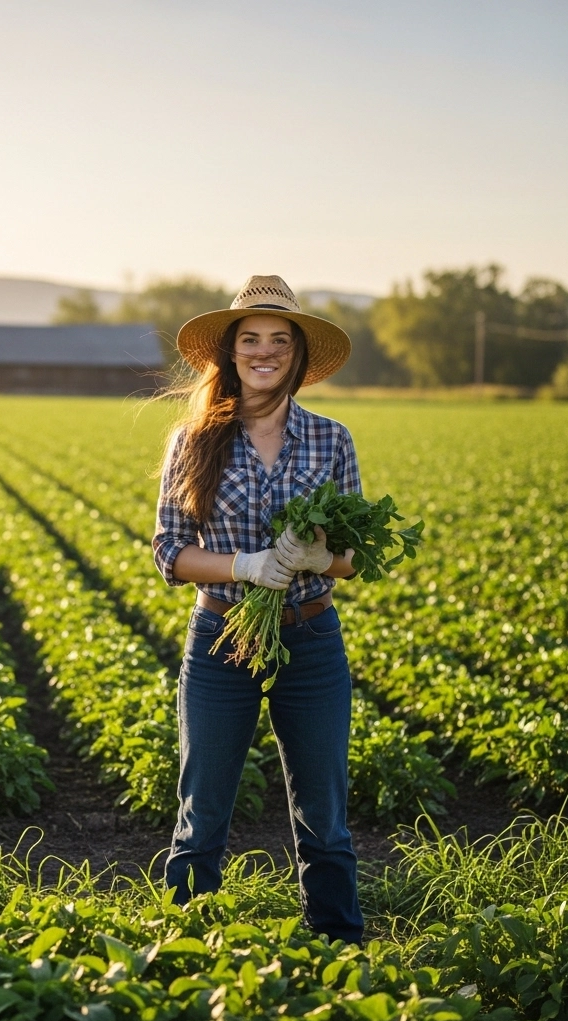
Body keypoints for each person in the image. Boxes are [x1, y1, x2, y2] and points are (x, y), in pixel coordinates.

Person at [152, 274, 364, 944]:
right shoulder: (194, 440)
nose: (264, 351)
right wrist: (245, 567)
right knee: (202, 812)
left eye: (279, 339)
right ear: (231, 352)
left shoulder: (332, 440)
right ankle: (186, 949)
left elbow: (354, 555)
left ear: (298, 355)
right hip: (221, 635)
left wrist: (312, 559)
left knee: (324, 816)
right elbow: (169, 550)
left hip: (311, 639)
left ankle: (340, 950)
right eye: (251, 339)